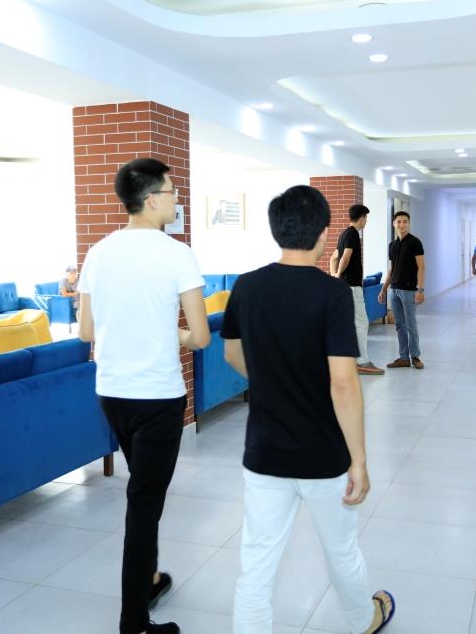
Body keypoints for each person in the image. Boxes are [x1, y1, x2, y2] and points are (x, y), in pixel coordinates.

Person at [222, 185, 395, 634]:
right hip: (324, 455)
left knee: (257, 565)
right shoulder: (332, 293)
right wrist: (359, 459)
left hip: (264, 452)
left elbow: (232, 354)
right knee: (341, 551)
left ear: (276, 230)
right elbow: (344, 382)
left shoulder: (246, 286)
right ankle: (363, 620)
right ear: (322, 234)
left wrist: (270, 378)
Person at [77, 157, 210, 634]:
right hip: (157, 398)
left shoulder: (98, 252)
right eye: (172, 192)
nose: (176, 199)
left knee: (144, 492)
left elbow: (86, 331)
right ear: (152, 199)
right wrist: (170, 334)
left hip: (112, 394)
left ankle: (148, 579)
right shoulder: (177, 253)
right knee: (144, 504)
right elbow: (200, 336)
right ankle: (134, 623)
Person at [329, 204, 385, 376]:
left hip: (344, 286)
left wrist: (335, 277)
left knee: (351, 323)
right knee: (362, 322)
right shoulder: (353, 234)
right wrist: (338, 275)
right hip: (352, 287)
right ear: (361, 218)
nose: (366, 221)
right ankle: (362, 361)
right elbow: (345, 258)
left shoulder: (343, 234)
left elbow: (333, 258)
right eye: (366, 218)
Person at [378, 211, 426, 369]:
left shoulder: (415, 242)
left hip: (409, 290)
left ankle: (416, 357)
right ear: (394, 224)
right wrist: (384, 289)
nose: (402, 224)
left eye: (405, 221)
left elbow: (421, 267)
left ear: (409, 223)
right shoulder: (392, 245)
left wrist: (420, 290)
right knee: (399, 325)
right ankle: (404, 357)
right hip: (394, 290)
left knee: (411, 324)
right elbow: (392, 269)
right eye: (398, 221)